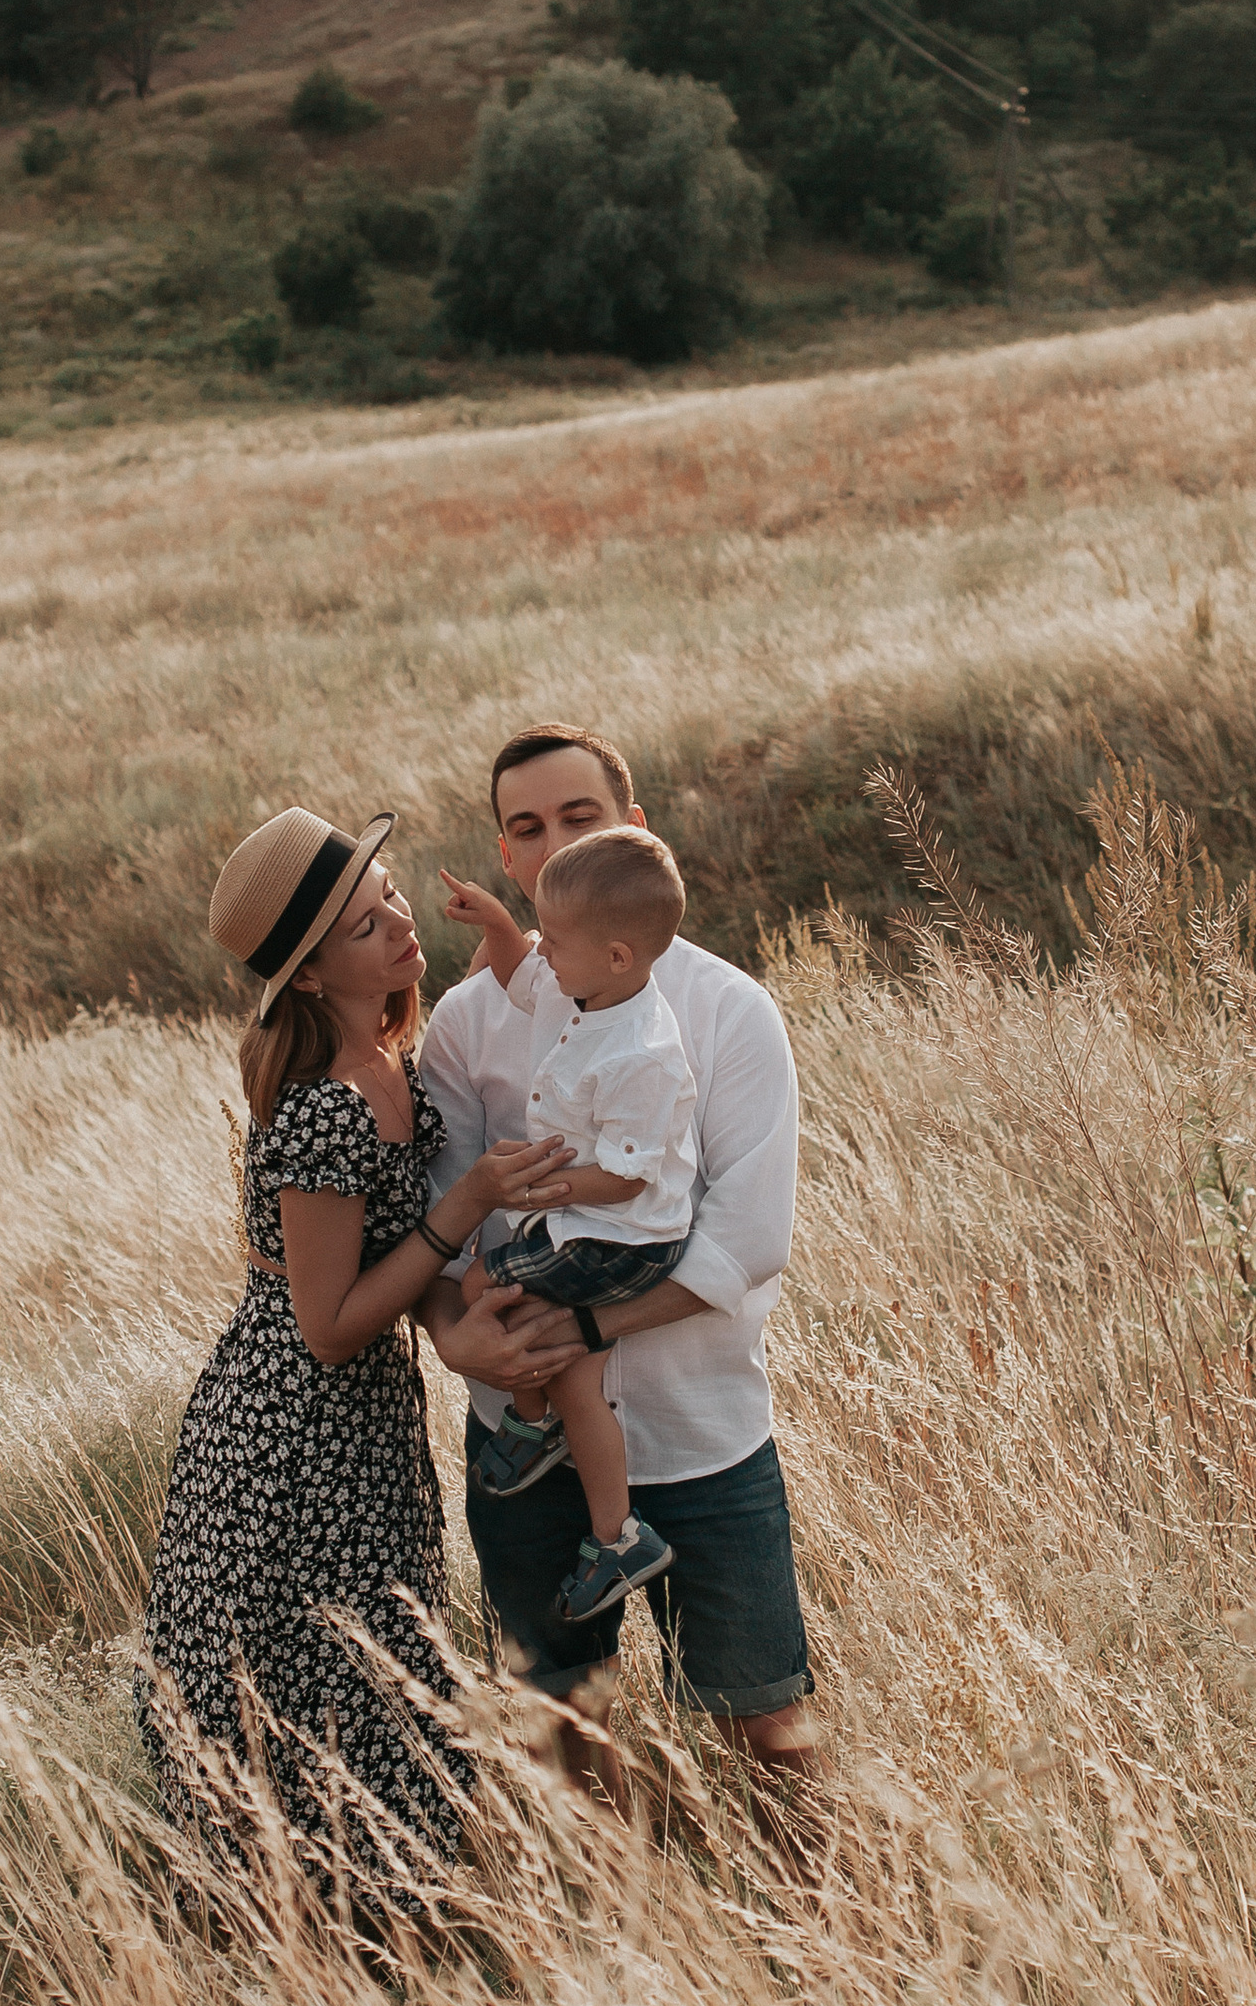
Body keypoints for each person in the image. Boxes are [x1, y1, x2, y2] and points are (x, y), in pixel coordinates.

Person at [136, 804, 573, 1927]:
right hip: (286, 1436)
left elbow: (397, 1269)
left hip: (358, 1422)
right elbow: (328, 1323)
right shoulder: (324, 1112)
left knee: (380, 1664)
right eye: (367, 925)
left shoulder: (393, 1074)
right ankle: (310, 1931)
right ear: (315, 972)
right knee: (316, 1681)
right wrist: (467, 1207)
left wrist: (451, 1310)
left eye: (389, 908)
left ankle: (380, 1926)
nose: (398, 931)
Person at [419, 723, 818, 1775]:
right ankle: (609, 1931)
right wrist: (461, 1346)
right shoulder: (465, 1025)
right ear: (504, 856)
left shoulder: (729, 1011)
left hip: (704, 1433)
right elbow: (435, 1217)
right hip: (522, 1431)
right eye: (525, 828)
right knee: (561, 1736)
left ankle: (823, 1925)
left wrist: (590, 1323)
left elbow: (746, 1240)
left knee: (765, 1727)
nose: (551, 845)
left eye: (578, 818)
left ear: (636, 833)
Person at [439, 825, 701, 1625]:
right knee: (576, 1373)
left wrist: (534, 1191)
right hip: (585, 1221)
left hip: (619, 1239)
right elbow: (524, 982)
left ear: (617, 955)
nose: (538, 950)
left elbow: (626, 1178)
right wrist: (495, 928)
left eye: (549, 938)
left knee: (487, 1281)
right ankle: (613, 1530)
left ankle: (532, 1422)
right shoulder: (592, 989)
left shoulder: (644, 1051)